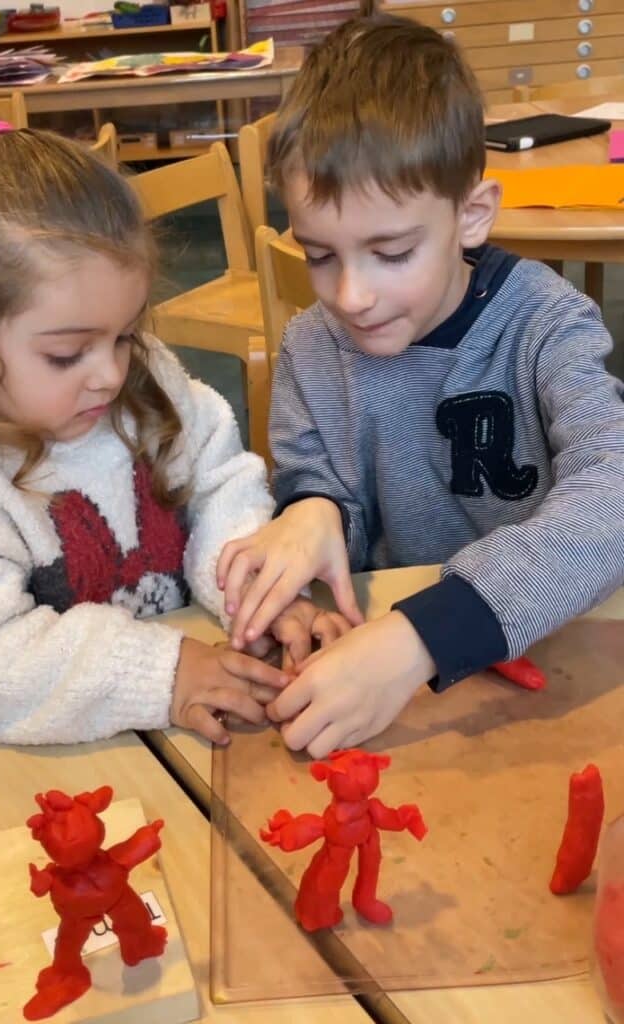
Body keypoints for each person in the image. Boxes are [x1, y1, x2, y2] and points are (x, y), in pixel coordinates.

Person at [0, 115, 349, 747]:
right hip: (14, 761)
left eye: (126, 335)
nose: (110, 375)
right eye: (66, 355)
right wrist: (161, 673)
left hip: (169, 729)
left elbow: (218, 486)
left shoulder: (145, 381)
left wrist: (256, 594)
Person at [216, 14, 624, 757]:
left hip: (542, 649)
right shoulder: (312, 345)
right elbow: (322, 485)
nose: (351, 296)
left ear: (472, 216)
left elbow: (614, 493)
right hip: (388, 684)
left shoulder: (545, 324)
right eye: (319, 255)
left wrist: (422, 638)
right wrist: (311, 511)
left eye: (392, 252)